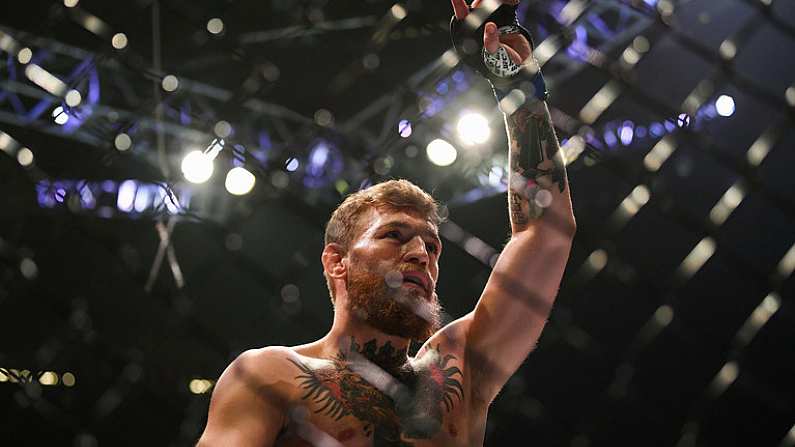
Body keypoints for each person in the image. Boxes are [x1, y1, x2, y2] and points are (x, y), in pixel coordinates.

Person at [198, 0, 575, 445]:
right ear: (336, 262)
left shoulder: (459, 369)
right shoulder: (270, 374)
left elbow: (545, 231)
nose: (420, 254)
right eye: (394, 235)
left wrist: (515, 85)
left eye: (433, 247)